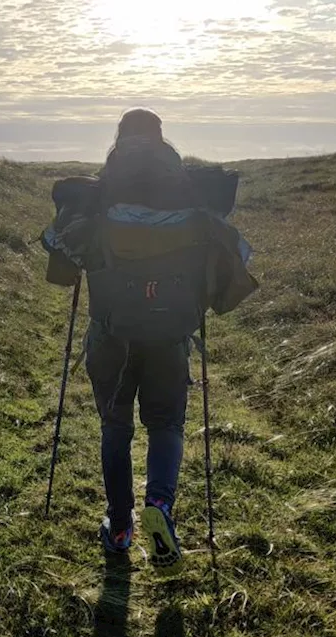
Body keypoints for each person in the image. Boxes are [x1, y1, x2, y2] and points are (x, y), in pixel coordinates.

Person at [42, 108, 255, 572]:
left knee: (115, 428)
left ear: (119, 141)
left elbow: (54, 247)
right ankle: (160, 506)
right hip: (171, 333)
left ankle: (119, 526)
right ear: (162, 142)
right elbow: (238, 251)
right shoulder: (193, 198)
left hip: (111, 335)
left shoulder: (98, 200)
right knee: (166, 425)